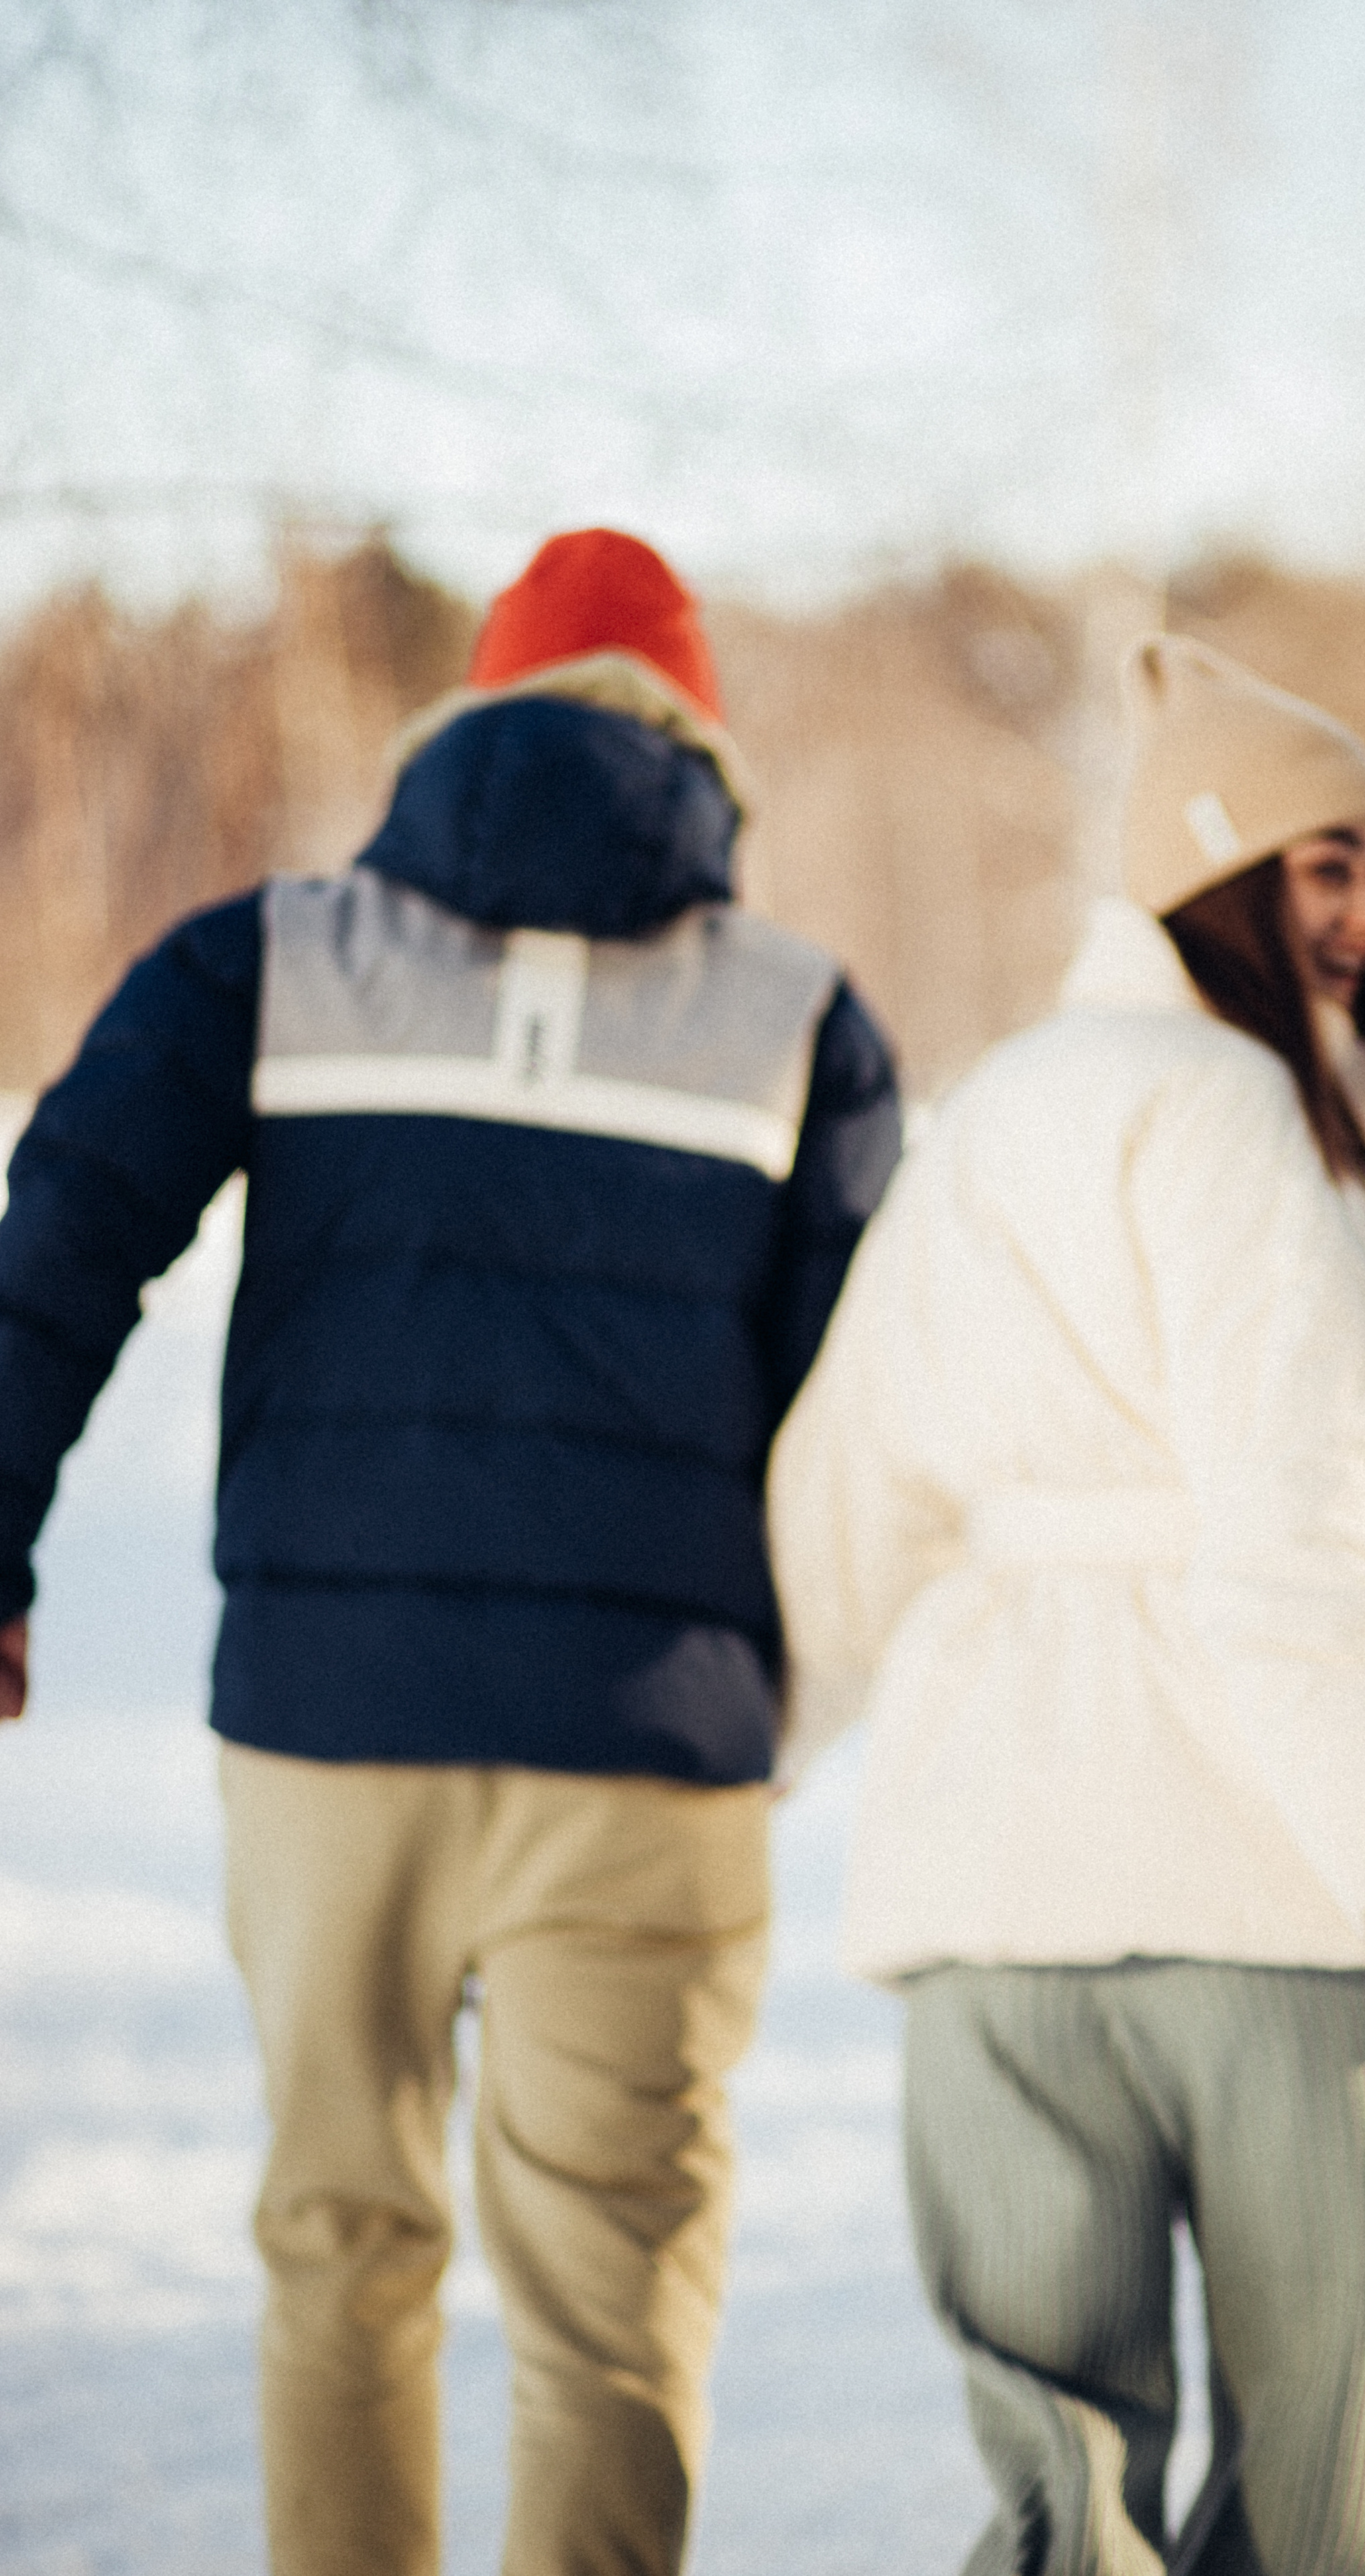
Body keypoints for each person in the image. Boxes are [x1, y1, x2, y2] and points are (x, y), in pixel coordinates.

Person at [0, 529, 901, 2576]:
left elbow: (57, 1240)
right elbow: (861, 1423)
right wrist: (786, 1704)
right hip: (651, 1757)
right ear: (700, 746)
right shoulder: (802, 1021)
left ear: (465, 717)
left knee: (341, 2247)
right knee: (613, 2308)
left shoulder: (271, 957)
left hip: (332, 1734)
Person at [765, 635, 1365, 2576]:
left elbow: (851, 1485)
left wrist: (758, 1742)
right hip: (1264, 1885)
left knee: (1059, 2483)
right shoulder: (1265, 1125)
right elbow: (1309, 1537)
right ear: (1209, 873)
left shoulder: (1000, 1112)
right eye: (1323, 864)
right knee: (1320, 2492)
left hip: (986, 1889)